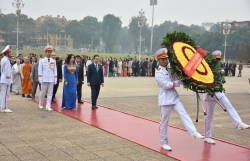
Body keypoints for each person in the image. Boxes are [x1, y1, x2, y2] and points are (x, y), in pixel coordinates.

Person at [155, 48, 204, 151]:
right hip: (165, 100)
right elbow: (166, 85)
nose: (165, 61)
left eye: (166, 59)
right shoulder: (158, 72)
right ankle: (164, 142)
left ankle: (193, 132)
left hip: (174, 97)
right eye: (162, 59)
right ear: (158, 60)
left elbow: (178, 79)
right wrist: (178, 82)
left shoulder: (170, 69)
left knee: (183, 113)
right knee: (164, 122)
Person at [203, 50, 250, 144]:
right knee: (209, 116)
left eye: (219, 59)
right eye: (216, 59)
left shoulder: (219, 69)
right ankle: (207, 136)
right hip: (209, 94)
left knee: (229, 106)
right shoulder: (206, 69)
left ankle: (238, 123)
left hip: (219, 93)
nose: (218, 61)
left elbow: (220, 82)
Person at [38, 45, 57, 111]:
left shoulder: (53, 61)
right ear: (45, 52)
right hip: (44, 78)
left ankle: (48, 105)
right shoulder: (42, 60)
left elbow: (55, 70)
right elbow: (40, 70)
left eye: (50, 52)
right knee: (42, 92)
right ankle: (40, 103)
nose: (49, 53)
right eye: (48, 52)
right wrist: (40, 78)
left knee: (50, 93)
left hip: (51, 78)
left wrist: (55, 79)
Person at [0, 45, 13, 113]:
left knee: (3, 94)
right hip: (6, 79)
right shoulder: (7, 60)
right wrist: (8, 80)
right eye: (10, 52)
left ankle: (2, 106)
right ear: (7, 53)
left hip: (3, 78)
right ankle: (4, 107)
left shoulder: (3, 59)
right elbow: (8, 71)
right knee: (6, 94)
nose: (11, 53)